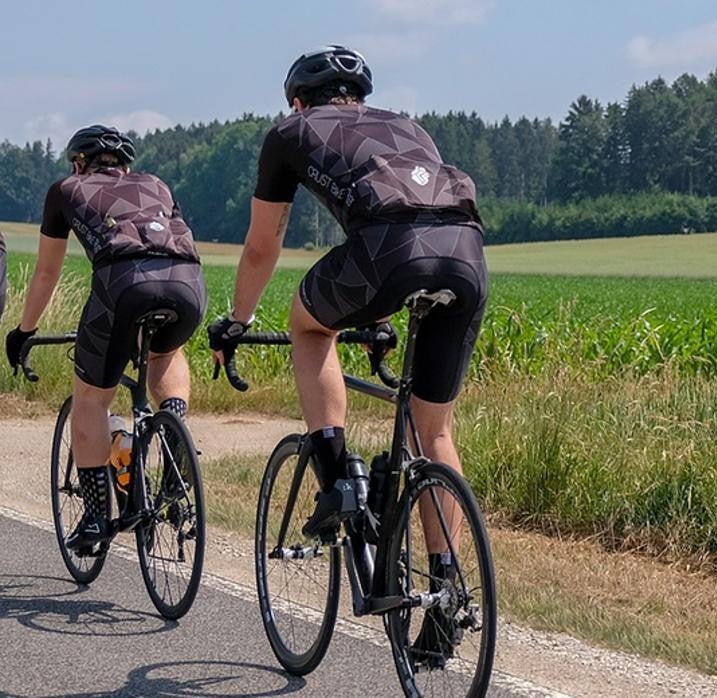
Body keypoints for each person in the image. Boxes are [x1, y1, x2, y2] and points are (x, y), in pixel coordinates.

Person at [206, 45, 487, 663]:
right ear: (359, 97)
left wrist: (237, 321)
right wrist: (380, 319)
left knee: (309, 328)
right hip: (466, 255)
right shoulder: (408, 126)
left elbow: (263, 246)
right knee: (433, 431)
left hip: (388, 255)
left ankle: (339, 479)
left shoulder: (291, 131)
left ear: (298, 100)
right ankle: (446, 591)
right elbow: (409, 209)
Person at [5, 125, 206, 553]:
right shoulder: (156, 184)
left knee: (91, 400)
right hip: (189, 284)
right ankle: (174, 431)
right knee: (166, 351)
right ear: (126, 166)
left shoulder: (66, 189)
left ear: (79, 164)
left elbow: (47, 273)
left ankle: (96, 517)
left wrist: (25, 331)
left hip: (124, 284)